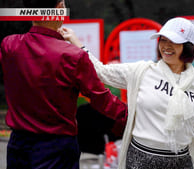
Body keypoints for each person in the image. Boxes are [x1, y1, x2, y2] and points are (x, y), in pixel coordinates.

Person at [63, 17, 194, 169]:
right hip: (141, 159)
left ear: (188, 47)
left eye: (174, 41)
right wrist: (76, 42)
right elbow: (101, 72)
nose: (166, 46)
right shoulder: (142, 71)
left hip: (181, 161)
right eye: (163, 40)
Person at [0, 0, 127, 168]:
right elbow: (100, 98)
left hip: (18, 145)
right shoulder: (72, 55)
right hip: (57, 148)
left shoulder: (9, 45)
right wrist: (133, 116)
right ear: (60, 8)